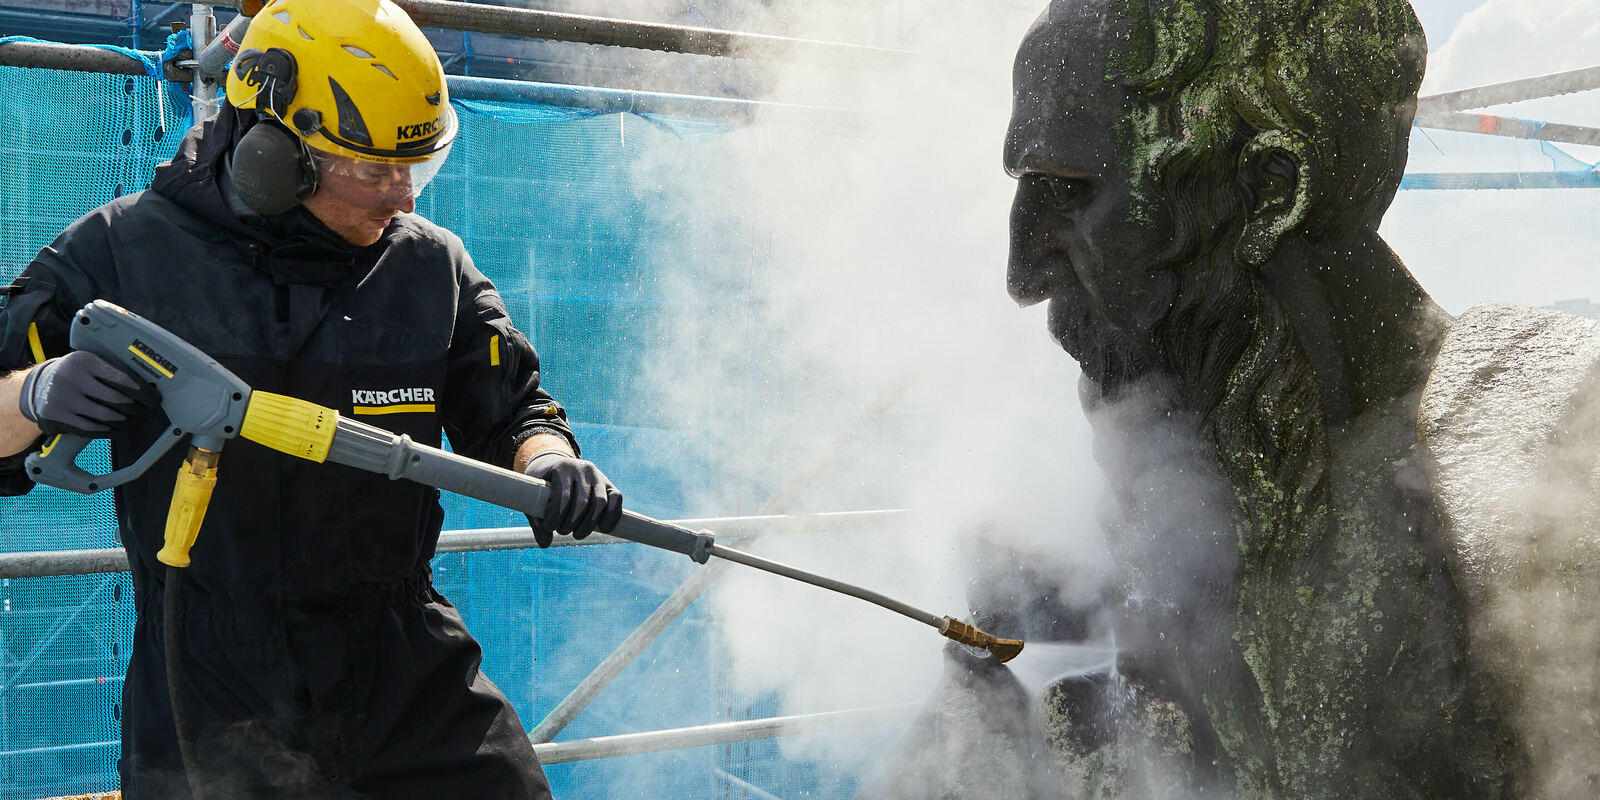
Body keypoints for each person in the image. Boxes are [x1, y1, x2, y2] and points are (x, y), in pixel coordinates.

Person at [0, 0, 620, 797]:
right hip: (209, 682)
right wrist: (36, 390)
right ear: (271, 152)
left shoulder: (431, 268)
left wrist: (554, 463)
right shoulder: (121, 256)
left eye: (418, 168)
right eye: (375, 170)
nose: (404, 197)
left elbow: (511, 409)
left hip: (401, 667)